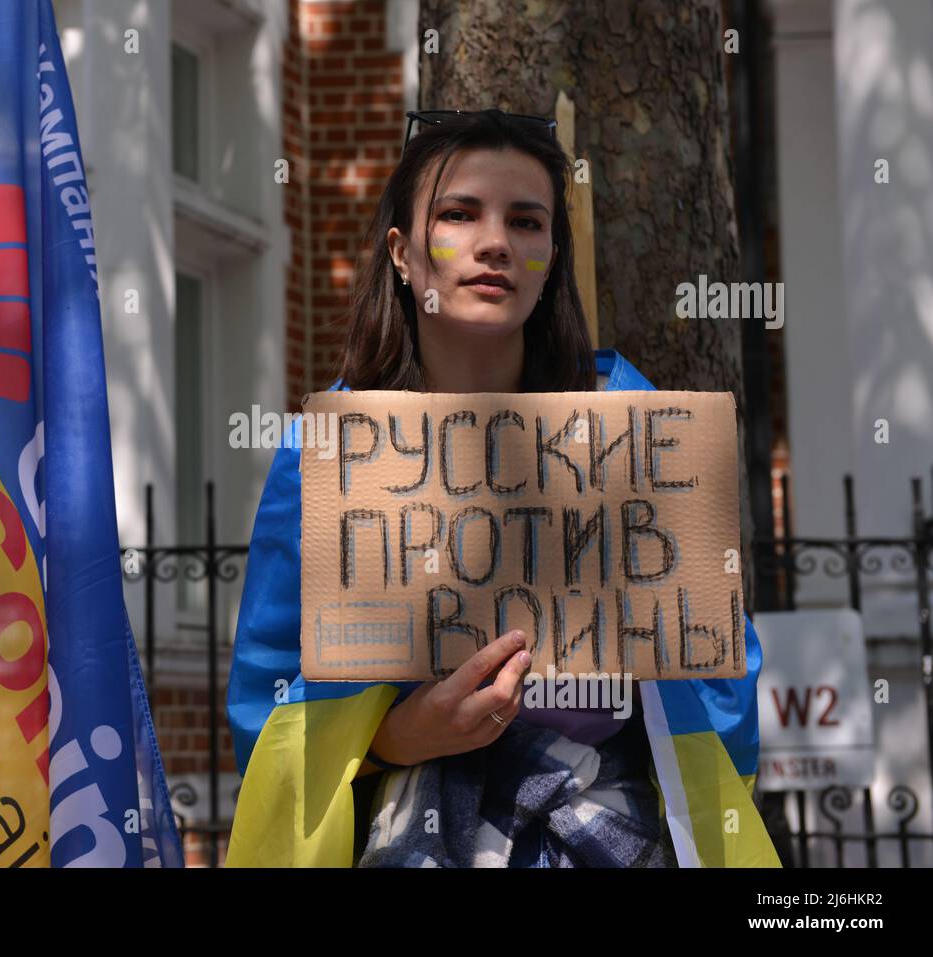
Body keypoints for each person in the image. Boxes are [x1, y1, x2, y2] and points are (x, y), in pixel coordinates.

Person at [224, 109, 780, 867]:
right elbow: (272, 705)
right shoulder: (328, 457)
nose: (495, 244)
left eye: (526, 221)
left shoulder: (637, 430)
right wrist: (398, 736)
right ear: (403, 254)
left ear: (551, 256)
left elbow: (720, 678)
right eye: (459, 214)